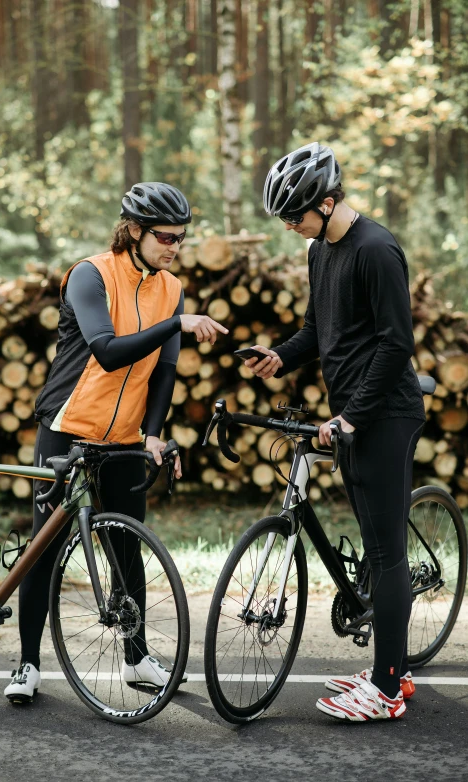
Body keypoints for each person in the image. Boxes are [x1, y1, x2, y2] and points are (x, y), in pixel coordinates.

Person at [5, 182, 228, 703]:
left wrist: (152, 433)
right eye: (165, 237)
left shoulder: (168, 287)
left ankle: (135, 658)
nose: (174, 246)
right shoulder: (90, 275)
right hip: (68, 428)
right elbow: (106, 351)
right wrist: (176, 322)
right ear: (133, 231)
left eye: (181, 238)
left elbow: (165, 370)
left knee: (127, 548)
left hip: (125, 436)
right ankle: (27, 664)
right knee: (45, 547)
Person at [247, 142, 426, 722]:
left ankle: (388, 687)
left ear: (327, 202)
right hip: (348, 418)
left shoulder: (376, 249)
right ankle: (385, 665)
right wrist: (280, 356)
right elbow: (317, 331)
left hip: (384, 415)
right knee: (376, 548)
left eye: (295, 215)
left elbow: (396, 345)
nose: (291, 227)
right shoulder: (320, 252)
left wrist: (352, 416)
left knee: (386, 553)